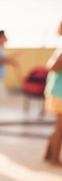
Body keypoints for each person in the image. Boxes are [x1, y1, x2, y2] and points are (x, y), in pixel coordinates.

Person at [44, 21, 62, 166]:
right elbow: (53, 67)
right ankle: (54, 158)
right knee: (60, 126)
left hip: (56, 91)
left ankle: (49, 156)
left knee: (59, 125)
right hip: (59, 92)